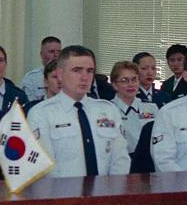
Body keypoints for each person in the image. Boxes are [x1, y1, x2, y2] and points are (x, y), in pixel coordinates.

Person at [27, 46, 129, 177]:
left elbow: (120, 160)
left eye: (90, 71)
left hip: (105, 193)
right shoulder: (41, 113)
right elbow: (44, 168)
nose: (84, 77)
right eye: (77, 70)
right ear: (59, 74)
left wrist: (111, 193)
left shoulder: (108, 110)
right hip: (61, 193)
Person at [109, 60, 157, 154]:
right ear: (114, 85)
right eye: (124, 80)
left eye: (134, 79)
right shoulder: (108, 110)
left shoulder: (151, 107)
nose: (130, 84)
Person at [20, 36, 62, 103]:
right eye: (51, 52)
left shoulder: (68, 75)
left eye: (59, 52)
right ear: (42, 55)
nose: (56, 55)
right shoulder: (31, 78)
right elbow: (28, 104)